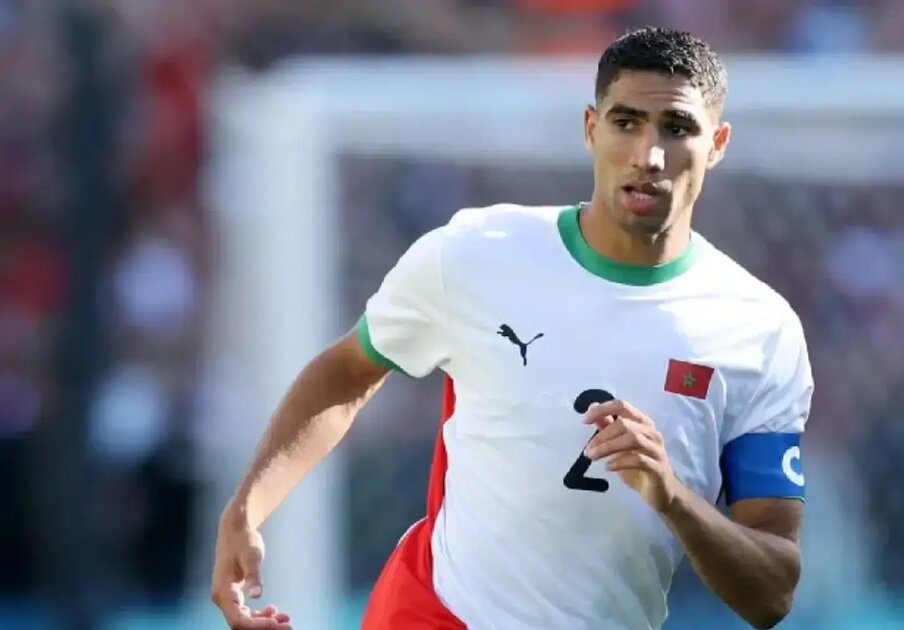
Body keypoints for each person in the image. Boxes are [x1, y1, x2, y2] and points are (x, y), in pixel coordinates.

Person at [210, 26, 813, 630]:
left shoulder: (759, 330)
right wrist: (247, 509)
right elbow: (350, 369)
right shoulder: (477, 251)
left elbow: (771, 591)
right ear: (591, 129)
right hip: (439, 614)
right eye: (626, 122)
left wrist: (672, 497)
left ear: (718, 143)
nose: (648, 155)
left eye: (677, 129)